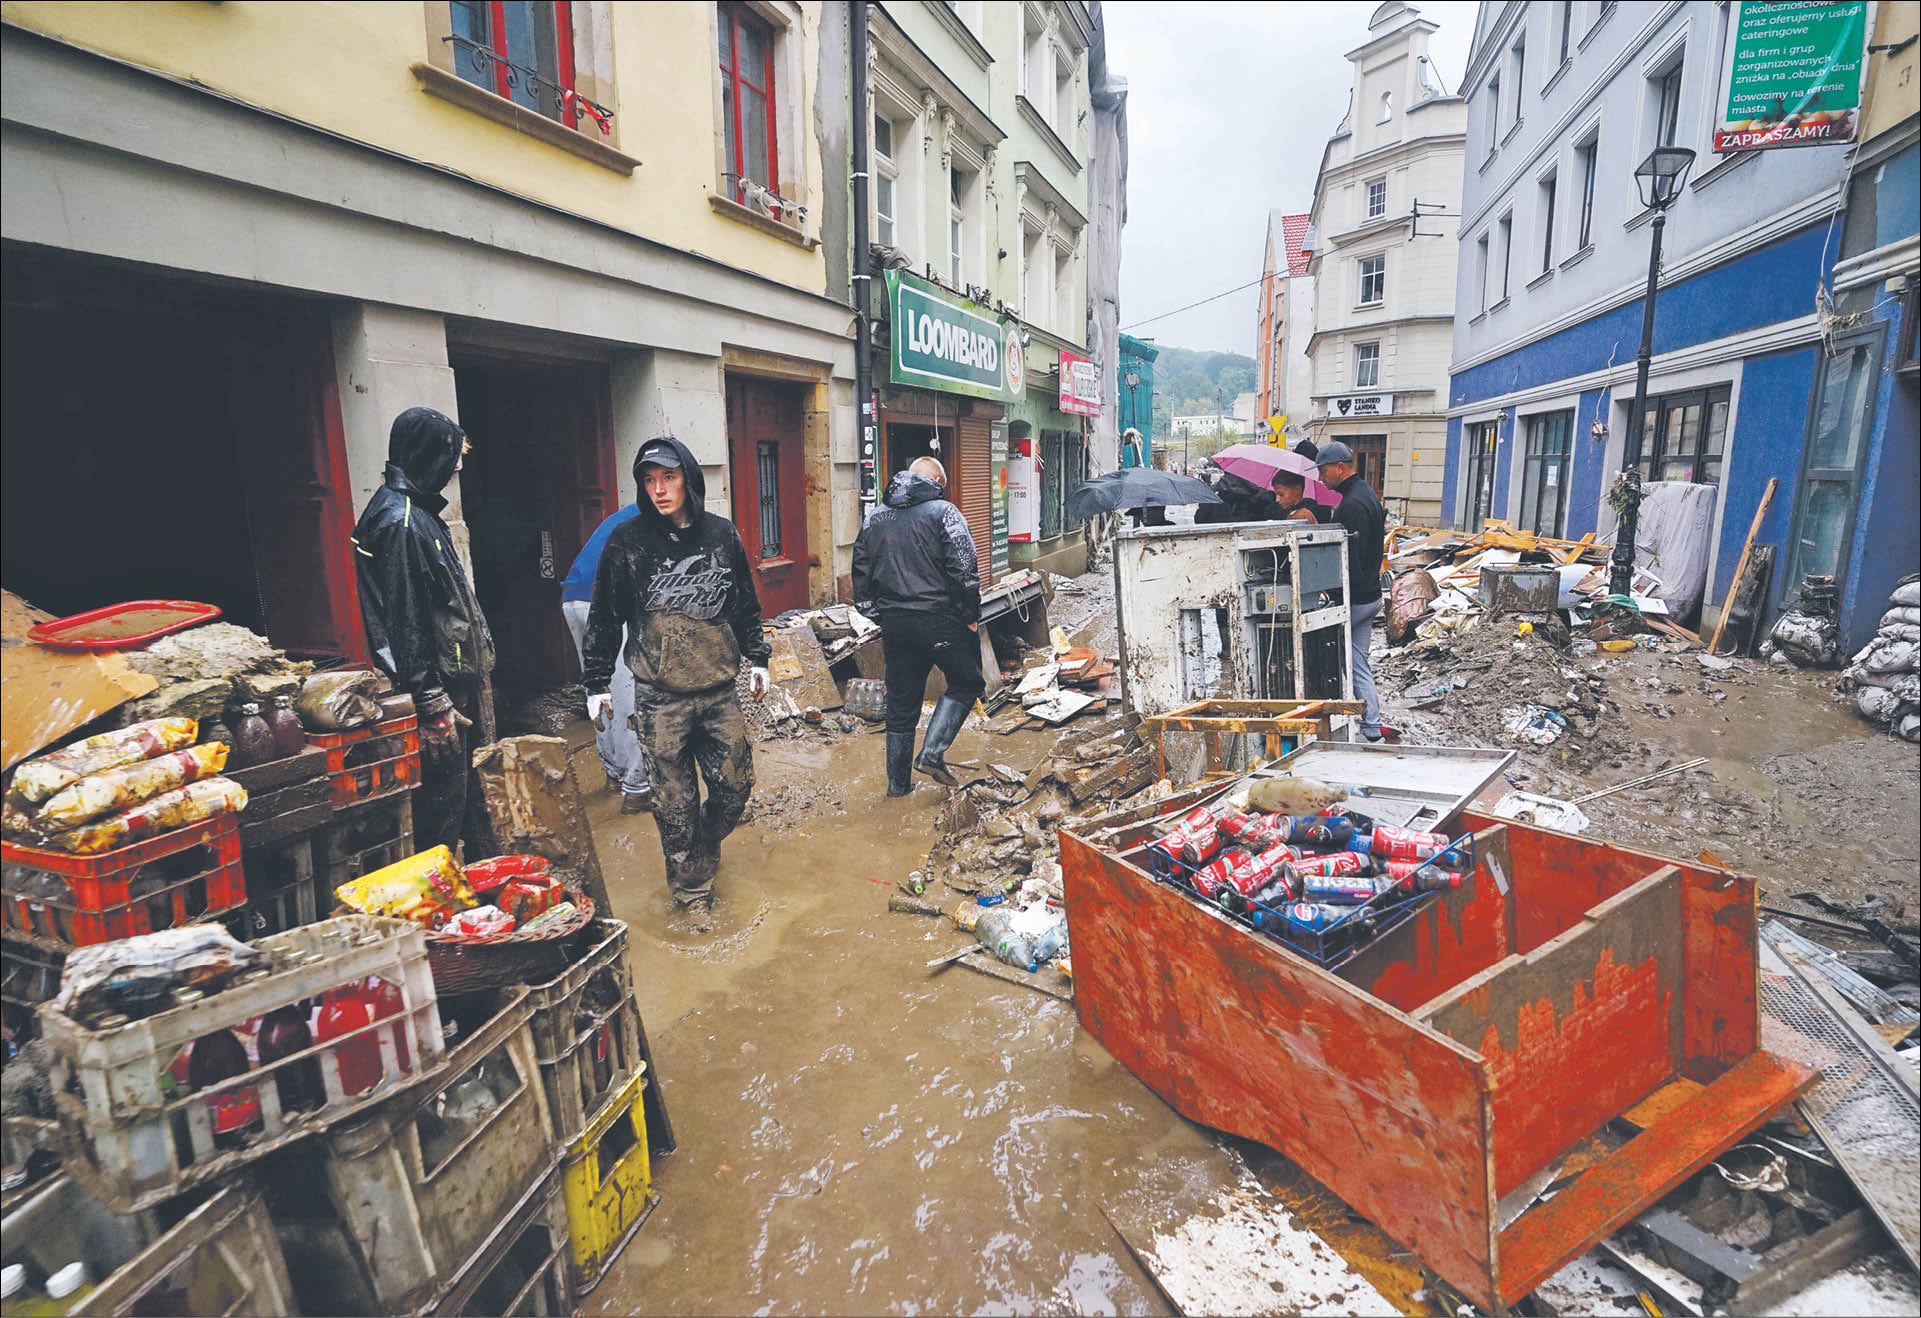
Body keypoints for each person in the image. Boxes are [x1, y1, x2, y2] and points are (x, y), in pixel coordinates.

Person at [581, 437, 770, 920]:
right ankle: (691, 893)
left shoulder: (722, 536)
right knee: (673, 803)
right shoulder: (627, 542)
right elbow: (604, 614)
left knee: (733, 790)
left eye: (669, 477)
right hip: (658, 699)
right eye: (650, 480)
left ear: (688, 476)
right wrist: (597, 682)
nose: (659, 489)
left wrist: (760, 657)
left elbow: (745, 602)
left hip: (718, 692)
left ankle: (701, 848)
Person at [351, 406, 497, 856]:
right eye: (451, 460)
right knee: (442, 805)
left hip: (453, 678)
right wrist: (432, 701)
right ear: (427, 457)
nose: (455, 470)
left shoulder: (417, 514)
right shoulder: (403, 523)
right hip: (439, 685)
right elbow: (404, 618)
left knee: (471, 796)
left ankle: (480, 881)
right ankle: (440, 899)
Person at [851, 457, 985, 796]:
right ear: (938, 480)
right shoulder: (945, 512)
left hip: (896, 624)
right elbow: (964, 570)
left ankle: (898, 788)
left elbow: (860, 571)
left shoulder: (874, 518)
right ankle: (931, 754)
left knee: (901, 705)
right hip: (940, 619)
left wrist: (879, 615)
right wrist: (970, 615)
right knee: (967, 683)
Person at [561, 501, 652, 813]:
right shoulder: (664, 518)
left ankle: (614, 775)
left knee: (599, 688)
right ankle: (637, 789)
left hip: (574, 598)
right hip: (607, 599)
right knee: (635, 693)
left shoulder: (629, 512)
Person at [1313, 441, 1391, 743]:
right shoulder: (1366, 495)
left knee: (1324, 659)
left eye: (1323, 471)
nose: (1321, 478)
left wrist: (1333, 595)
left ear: (1340, 468)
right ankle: (1372, 727)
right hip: (1370, 595)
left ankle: (1328, 727)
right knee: (1358, 663)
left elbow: (1349, 560)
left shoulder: (1352, 505)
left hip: (1356, 598)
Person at [1194, 469, 1281, 524]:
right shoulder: (1259, 493)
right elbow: (1272, 516)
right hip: (1249, 543)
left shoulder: (1212, 492)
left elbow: (1199, 519)